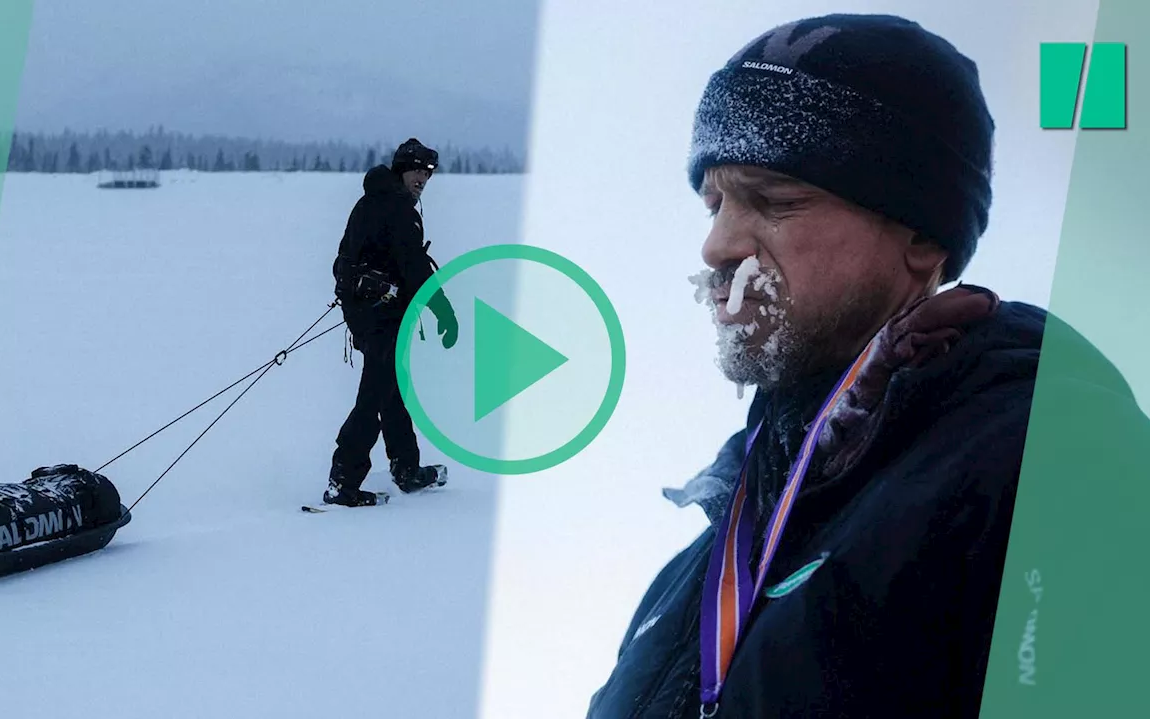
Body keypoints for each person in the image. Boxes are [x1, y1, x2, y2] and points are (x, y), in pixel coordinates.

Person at [586, 14, 1149, 719]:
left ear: (920, 235)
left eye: (774, 200)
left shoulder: (1050, 470)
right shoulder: (696, 570)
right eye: (714, 202)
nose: (717, 244)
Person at [326, 137, 459, 508]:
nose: (423, 178)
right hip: (380, 315)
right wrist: (443, 310)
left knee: (391, 387)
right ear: (401, 170)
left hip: (364, 312)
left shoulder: (370, 201)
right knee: (375, 396)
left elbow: (345, 260)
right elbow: (414, 267)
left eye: (428, 172)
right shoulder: (396, 209)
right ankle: (344, 481)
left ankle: (406, 469)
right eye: (417, 170)